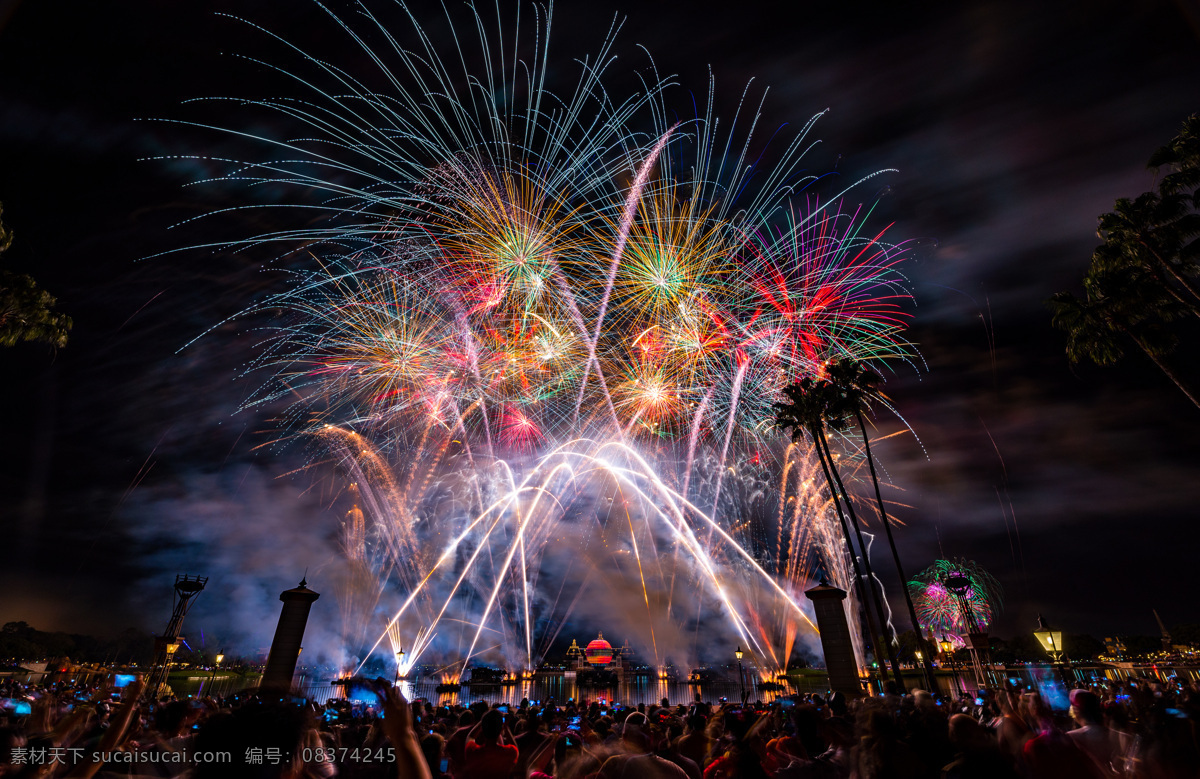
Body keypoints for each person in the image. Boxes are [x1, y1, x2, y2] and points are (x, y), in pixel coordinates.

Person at [460, 709, 518, 779]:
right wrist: (505, 727)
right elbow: (514, 746)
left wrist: (484, 720)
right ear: (500, 730)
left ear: (483, 729)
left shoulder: (473, 751)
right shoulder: (509, 752)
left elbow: (470, 736)